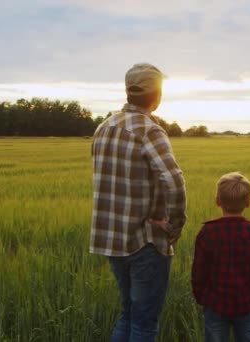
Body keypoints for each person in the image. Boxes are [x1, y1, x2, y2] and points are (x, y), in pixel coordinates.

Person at [90, 63, 187, 342]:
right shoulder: (149, 130)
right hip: (145, 240)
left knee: (129, 313)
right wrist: (175, 225)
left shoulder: (104, 127)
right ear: (156, 96)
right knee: (144, 322)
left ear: (128, 91)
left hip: (112, 241)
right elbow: (174, 180)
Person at [191, 172, 250, 342]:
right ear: (248, 202)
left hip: (215, 305)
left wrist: (202, 298)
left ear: (217, 201)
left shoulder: (206, 233)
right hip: (245, 305)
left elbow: (198, 273)